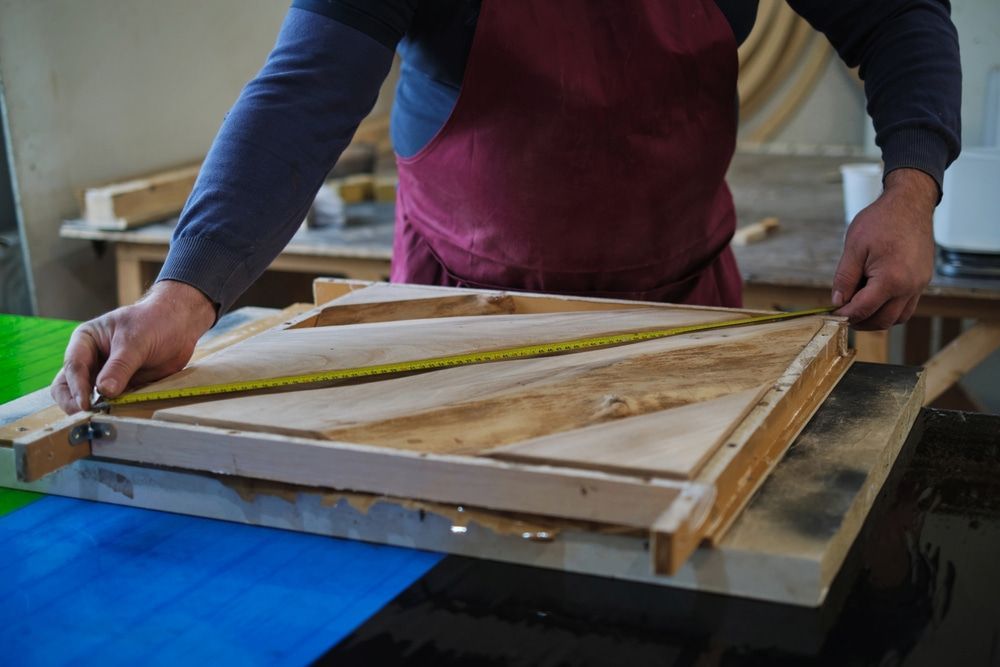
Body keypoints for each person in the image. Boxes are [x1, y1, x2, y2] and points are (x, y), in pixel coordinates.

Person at [51, 0, 961, 414]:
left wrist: (911, 188)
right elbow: (303, 92)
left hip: (678, 314)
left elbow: (900, 16)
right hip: (447, 316)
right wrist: (184, 292)